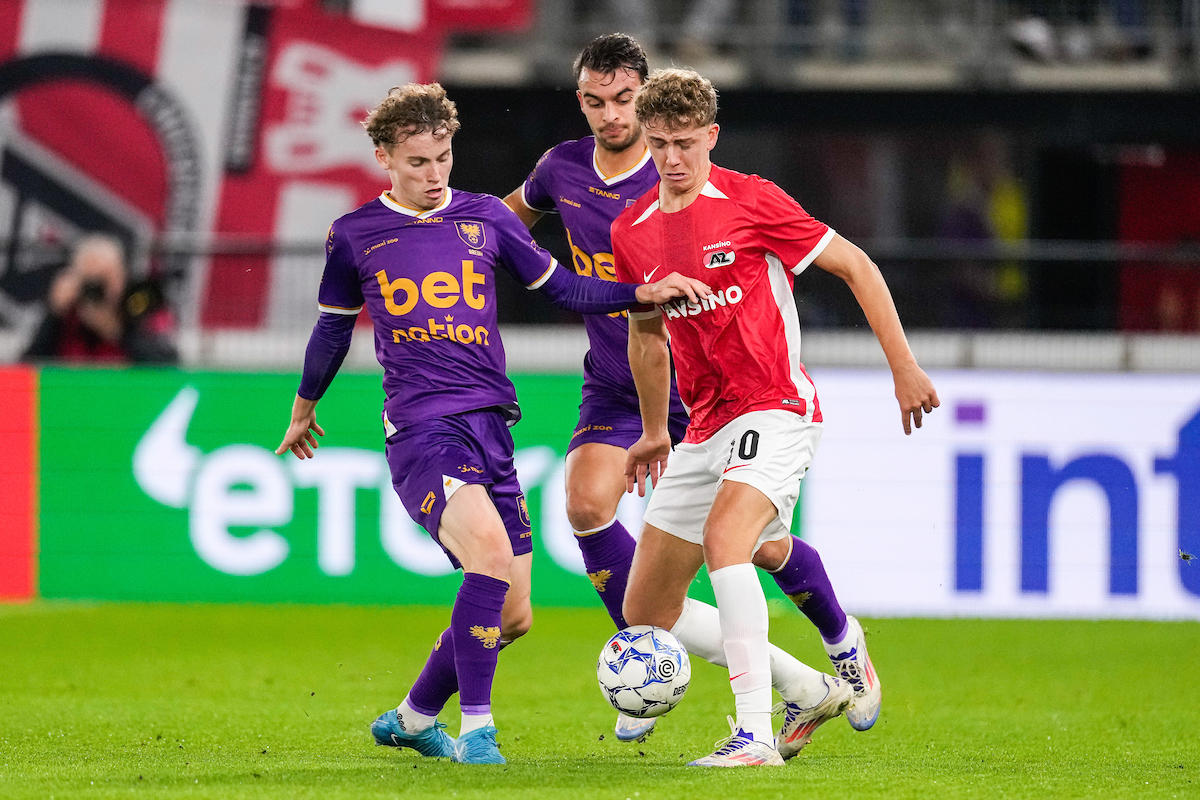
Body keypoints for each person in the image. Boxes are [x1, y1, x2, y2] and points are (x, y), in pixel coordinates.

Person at [274, 83, 707, 766]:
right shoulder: (355, 234)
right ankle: (477, 730)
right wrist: (305, 407)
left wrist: (637, 293)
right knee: (491, 561)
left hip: (490, 427)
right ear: (384, 157)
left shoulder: (485, 218)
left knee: (513, 615)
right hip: (423, 429)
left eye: (443, 157)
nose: (434, 174)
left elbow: (563, 287)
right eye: (417, 162)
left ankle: (413, 719)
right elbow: (332, 329)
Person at [504, 33, 864, 754]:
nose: (611, 115)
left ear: (649, 100)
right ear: (580, 101)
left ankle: (832, 644)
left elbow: (831, 263)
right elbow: (504, 222)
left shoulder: (688, 174)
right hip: (625, 380)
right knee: (589, 508)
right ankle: (653, 661)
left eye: (624, 100)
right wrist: (451, 240)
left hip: (713, 389)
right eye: (595, 101)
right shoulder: (562, 169)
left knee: (755, 545)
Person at [615, 68, 939, 767]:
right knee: (646, 611)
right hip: (703, 425)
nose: (671, 158)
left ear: (712, 136)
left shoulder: (752, 200)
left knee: (728, 541)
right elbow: (645, 336)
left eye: (685, 143)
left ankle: (753, 735)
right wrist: (654, 429)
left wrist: (904, 367)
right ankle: (808, 687)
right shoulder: (630, 230)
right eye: (659, 143)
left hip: (776, 405)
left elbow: (856, 265)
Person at [21, 234, 177, 364]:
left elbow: (169, 363)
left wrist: (117, 332)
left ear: (120, 276)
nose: (96, 290)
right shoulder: (66, 314)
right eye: (90, 281)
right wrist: (53, 315)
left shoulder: (139, 303)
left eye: (103, 279)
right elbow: (27, 367)